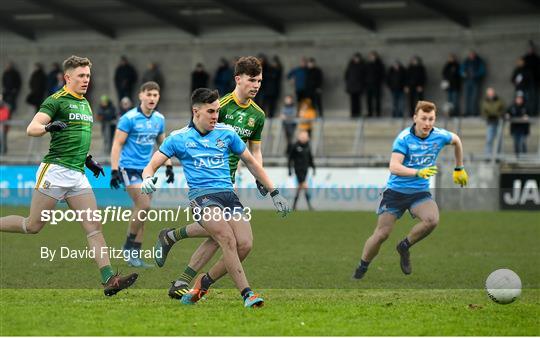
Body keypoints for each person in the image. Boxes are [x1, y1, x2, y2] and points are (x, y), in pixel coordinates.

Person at [0, 55, 138, 295]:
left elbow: (77, 138)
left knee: (94, 226)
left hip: (77, 174)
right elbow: (31, 128)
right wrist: (47, 127)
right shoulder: (56, 101)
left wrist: (88, 160)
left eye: (87, 76)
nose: (86, 80)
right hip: (55, 170)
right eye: (81, 76)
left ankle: (110, 279)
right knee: (33, 226)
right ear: (67, 78)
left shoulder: (85, 103)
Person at [141, 88, 290, 307]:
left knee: (245, 245)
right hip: (202, 197)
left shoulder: (227, 133)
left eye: (218, 111)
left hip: (228, 195)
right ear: (196, 111)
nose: (215, 116)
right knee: (226, 238)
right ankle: (247, 294)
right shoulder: (179, 138)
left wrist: (274, 192)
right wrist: (147, 179)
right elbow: (151, 165)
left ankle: (204, 281)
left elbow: (250, 161)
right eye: (211, 111)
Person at [153, 56, 269, 300]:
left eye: (259, 81)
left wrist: (260, 174)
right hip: (206, 181)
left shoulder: (258, 115)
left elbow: (254, 150)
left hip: (228, 182)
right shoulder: (221, 105)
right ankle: (222, 287)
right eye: (252, 80)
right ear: (238, 79)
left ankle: (176, 248)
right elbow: (194, 133)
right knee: (223, 236)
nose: (256, 85)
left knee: (225, 239)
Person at [353, 100, 467, 280]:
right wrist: (418, 172)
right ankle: (362, 267)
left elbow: (457, 140)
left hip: (419, 193)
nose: (428, 123)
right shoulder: (404, 138)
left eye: (431, 119)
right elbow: (394, 167)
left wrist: (459, 168)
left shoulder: (439, 135)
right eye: (424, 118)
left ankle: (404, 246)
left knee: (432, 220)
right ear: (415, 118)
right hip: (395, 192)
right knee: (382, 234)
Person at [110, 81, 174, 268]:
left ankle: (134, 256)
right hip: (129, 168)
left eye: (155, 95)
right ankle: (128, 244)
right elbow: (117, 144)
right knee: (144, 205)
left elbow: (163, 145)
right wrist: (114, 170)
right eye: (149, 94)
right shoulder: (128, 118)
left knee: (142, 211)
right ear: (141, 96)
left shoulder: (159, 119)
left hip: (147, 170)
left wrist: (169, 165)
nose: (152, 98)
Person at [289, 130, 315, 210]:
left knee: (300, 187)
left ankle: (294, 205)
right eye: (303, 136)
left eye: (305, 136)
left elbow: (310, 158)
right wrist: (289, 169)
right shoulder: (295, 146)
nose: (304, 138)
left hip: (305, 169)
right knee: (304, 185)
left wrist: (314, 167)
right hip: (298, 169)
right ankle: (310, 206)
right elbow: (290, 159)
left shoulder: (307, 146)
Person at [481, 87, 505, 156]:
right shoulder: (485, 101)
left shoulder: (499, 100)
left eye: (492, 93)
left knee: (499, 140)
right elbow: (483, 111)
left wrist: (497, 114)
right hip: (490, 122)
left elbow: (503, 109)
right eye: (489, 93)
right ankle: (488, 156)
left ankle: (498, 156)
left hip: (498, 122)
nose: (491, 95)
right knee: (489, 140)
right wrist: (488, 115)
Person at [461, 51, 486, 116]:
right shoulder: (466, 61)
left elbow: (482, 71)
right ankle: (467, 112)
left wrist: (475, 75)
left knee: (475, 97)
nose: (471, 56)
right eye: (470, 55)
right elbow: (461, 70)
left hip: (475, 81)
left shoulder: (479, 62)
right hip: (467, 81)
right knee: (467, 97)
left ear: (475, 55)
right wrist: (463, 74)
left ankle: (474, 112)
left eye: (472, 55)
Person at [365, 51, 385, 117]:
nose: (372, 58)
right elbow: (364, 74)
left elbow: (382, 74)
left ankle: (378, 113)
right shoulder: (367, 64)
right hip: (368, 84)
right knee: (369, 100)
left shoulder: (379, 64)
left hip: (376, 85)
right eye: (371, 56)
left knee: (377, 99)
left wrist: (379, 81)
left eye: (373, 56)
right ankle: (370, 113)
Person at [345, 53, 365, 118]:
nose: (356, 59)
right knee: (352, 101)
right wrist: (348, 83)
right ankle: (353, 113)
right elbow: (346, 75)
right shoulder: (350, 65)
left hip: (359, 86)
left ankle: (358, 113)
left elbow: (363, 76)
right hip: (351, 86)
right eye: (355, 58)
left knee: (358, 101)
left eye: (357, 58)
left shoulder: (362, 65)